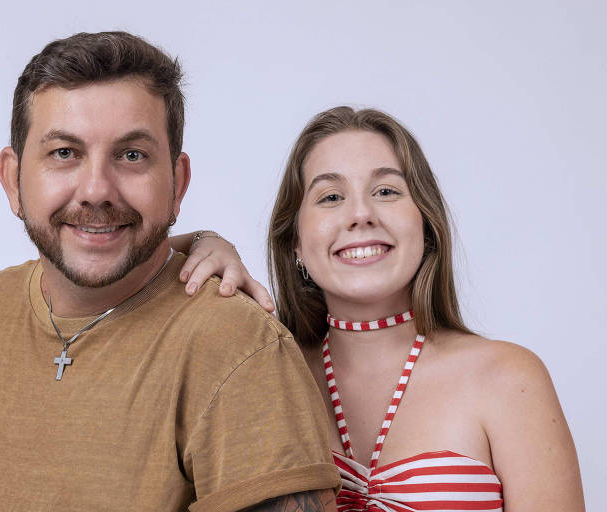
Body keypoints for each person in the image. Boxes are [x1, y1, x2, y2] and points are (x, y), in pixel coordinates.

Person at [0, 32, 341, 511]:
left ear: (177, 183)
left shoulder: (237, 348)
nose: (96, 190)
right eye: (64, 153)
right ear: (12, 178)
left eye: (132, 155)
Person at [185, 106, 586, 511]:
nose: (360, 215)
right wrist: (201, 242)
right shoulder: (260, 377)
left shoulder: (509, 379)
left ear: (426, 224)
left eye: (386, 192)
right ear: (295, 242)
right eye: (331, 197)